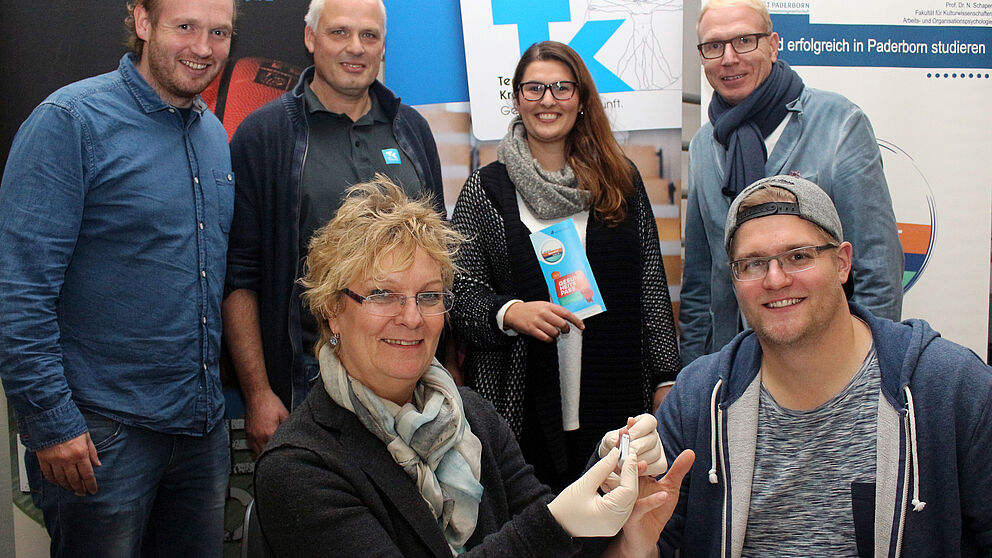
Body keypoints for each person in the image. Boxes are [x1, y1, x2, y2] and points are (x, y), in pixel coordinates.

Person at [252, 177, 694, 557]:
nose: (411, 318)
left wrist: (616, 503)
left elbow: (551, 541)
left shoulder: (471, 414)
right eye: (383, 294)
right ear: (331, 310)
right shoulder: (300, 466)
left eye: (428, 296)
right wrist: (560, 521)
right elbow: (544, 532)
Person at [0, 0, 236, 556]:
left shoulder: (212, 134)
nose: (203, 48)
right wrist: (52, 422)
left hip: (200, 432)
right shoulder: (70, 122)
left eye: (219, 32)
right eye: (185, 27)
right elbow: (20, 290)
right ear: (142, 21)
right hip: (101, 438)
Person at [655, 175, 992, 556]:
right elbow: (648, 539)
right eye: (752, 264)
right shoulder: (699, 398)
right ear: (734, 279)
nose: (775, 279)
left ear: (842, 263)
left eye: (799, 256)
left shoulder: (951, 389)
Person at [449, 40, 680, 492]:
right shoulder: (486, 189)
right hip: (521, 402)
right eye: (534, 89)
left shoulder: (621, 181)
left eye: (561, 87)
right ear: (516, 99)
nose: (548, 100)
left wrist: (665, 378)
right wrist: (508, 312)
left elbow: (650, 289)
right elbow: (457, 292)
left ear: (581, 98)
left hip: (616, 401)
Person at [223, 0, 444, 456]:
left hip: (409, 375)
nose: (355, 48)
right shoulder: (266, 135)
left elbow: (438, 262)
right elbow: (239, 277)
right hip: (308, 381)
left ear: (383, 47)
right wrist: (259, 394)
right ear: (310, 38)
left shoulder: (413, 131)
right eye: (339, 33)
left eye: (369, 36)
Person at [679, 0, 904, 366]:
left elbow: (876, 264)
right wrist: (693, 373)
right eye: (714, 46)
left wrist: (871, 367)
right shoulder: (705, 145)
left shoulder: (838, 124)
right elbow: (701, 279)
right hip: (735, 362)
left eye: (745, 41)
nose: (729, 58)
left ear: (773, 44)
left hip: (825, 360)